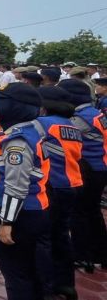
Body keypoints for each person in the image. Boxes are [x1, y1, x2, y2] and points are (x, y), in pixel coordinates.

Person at [0, 83, 52, 300]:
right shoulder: (31, 131)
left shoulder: (17, 142)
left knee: (16, 274)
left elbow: (16, 185)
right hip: (33, 208)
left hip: (17, 214)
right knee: (30, 270)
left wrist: (6, 222)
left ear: (13, 107)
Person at [35, 86, 83, 299]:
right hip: (71, 184)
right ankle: (66, 284)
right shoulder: (71, 126)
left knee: (43, 238)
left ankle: (46, 286)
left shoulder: (42, 124)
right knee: (62, 235)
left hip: (51, 185)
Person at [58, 79, 107, 272]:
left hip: (88, 169)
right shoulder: (95, 113)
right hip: (100, 166)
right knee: (92, 212)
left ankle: (82, 255)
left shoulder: (80, 118)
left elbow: (62, 138)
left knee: (79, 213)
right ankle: (101, 253)